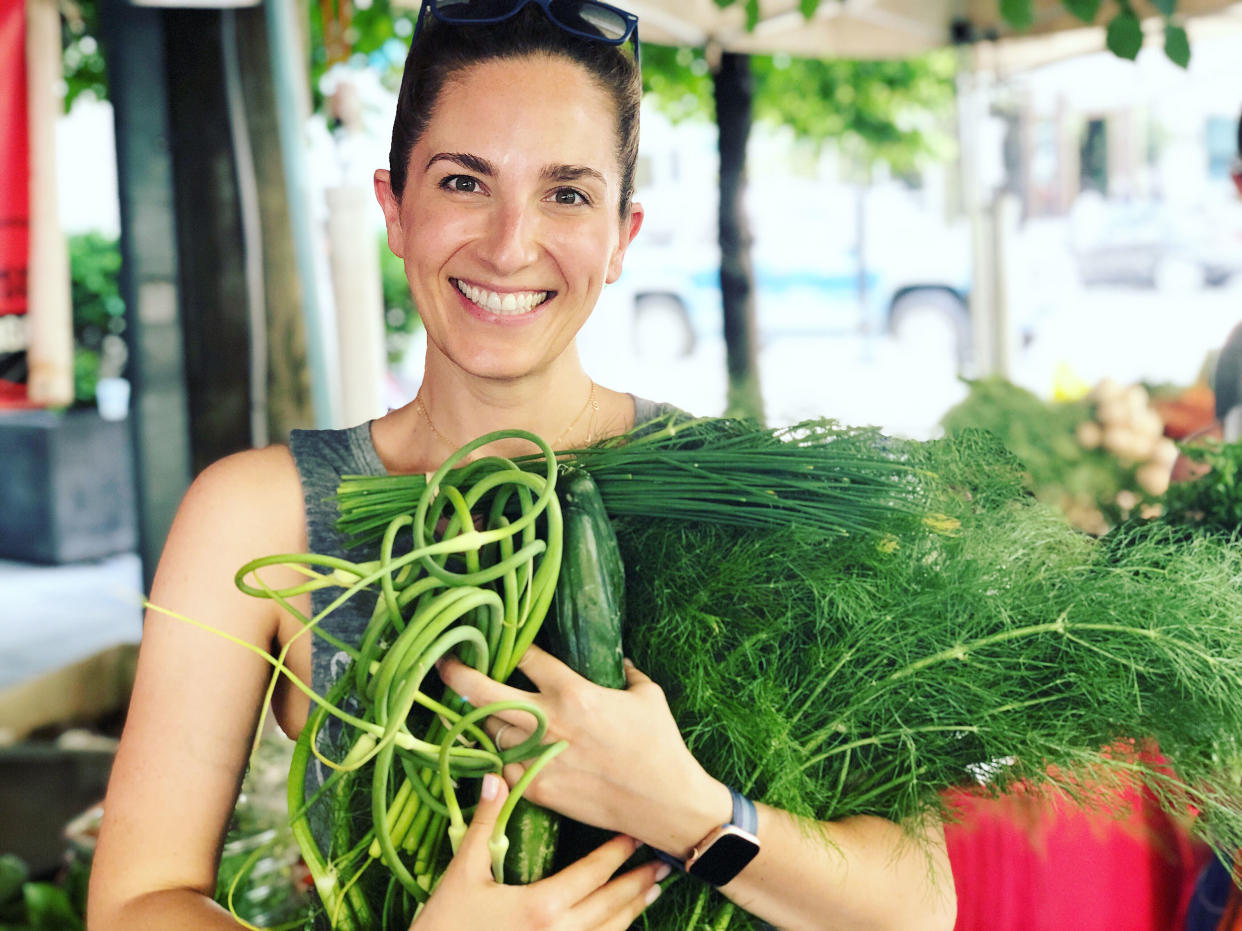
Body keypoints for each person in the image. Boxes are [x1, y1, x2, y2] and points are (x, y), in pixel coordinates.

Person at [86, 2, 957, 928]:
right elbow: (137, 902)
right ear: (395, 208)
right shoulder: (258, 516)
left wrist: (685, 808)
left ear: (623, 235)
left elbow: (916, 904)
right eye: (464, 182)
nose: (509, 244)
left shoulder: (745, 499)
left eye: (568, 193)